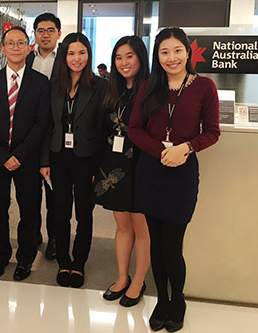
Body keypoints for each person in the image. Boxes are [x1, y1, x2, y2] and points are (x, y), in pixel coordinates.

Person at [129, 27, 220, 332]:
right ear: (157, 55)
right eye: (164, 52)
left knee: (173, 244)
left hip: (182, 172)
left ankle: (177, 300)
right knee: (156, 243)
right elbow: (135, 129)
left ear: (187, 52)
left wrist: (185, 148)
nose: (171, 58)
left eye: (177, 50)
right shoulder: (148, 87)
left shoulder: (204, 87)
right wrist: (160, 151)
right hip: (151, 172)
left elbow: (212, 131)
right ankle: (162, 301)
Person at [0, 26, 51, 281]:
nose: (17, 48)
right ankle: (1, 255)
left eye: (21, 43)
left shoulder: (41, 83)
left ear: (29, 47)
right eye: (11, 43)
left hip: (27, 159)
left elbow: (42, 124)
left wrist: (18, 155)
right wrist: (2, 156)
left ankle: (25, 258)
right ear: (3, 48)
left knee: (29, 211)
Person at [40, 32, 107, 288]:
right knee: (59, 212)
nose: (76, 58)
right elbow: (47, 125)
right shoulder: (54, 84)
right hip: (58, 157)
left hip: (86, 160)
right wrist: (43, 161)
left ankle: (78, 263)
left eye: (82, 53)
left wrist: (98, 167)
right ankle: (63, 261)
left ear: (88, 55)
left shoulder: (100, 86)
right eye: (71, 53)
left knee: (84, 214)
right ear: (63, 56)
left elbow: (103, 131)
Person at [92, 36, 150, 307]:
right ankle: (122, 276)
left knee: (141, 227)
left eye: (129, 56)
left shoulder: (151, 90)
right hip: (113, 164)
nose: (124, 63)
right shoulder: (111, 90)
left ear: (141, 57)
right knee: (122, 224)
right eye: (118, 57)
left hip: (141, 165)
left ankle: (139, 280)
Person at [26, 12, 62, 260]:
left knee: (54, 195)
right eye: (41, 30)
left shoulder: (68, 60)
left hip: (56, 133)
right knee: (30, 192)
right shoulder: (25, 58)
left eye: (50, 30)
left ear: (58, 34)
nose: (45, 34)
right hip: (29, 135)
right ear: (35, 34)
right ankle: (33, 234)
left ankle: (55, 239)